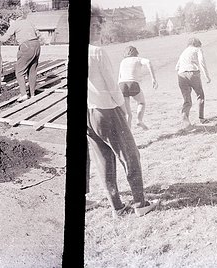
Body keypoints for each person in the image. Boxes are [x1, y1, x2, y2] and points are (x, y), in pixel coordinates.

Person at [87, 5, 158, 218]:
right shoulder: (97, 52)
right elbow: (112, 86)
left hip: (89, 113)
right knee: (130, 155)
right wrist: (122, 109)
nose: (98, 28)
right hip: (106, 110)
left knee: (103, 160)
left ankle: (117, 206)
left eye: (99, 24)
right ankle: (140, 203)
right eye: (93, 25)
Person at [0, 9, 41, 102]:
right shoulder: (29, 22)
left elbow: (5, 39)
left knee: (19, 72)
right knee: (32, 71)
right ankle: (32, 94)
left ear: (13, 19)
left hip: (26, 46)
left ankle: (24, 94)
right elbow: (38, 34)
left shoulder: (15, 24)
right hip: (36, 45)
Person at [118, 46, 158, 130]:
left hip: (121, 85)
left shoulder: (123, 61)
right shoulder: (138, 59)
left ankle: (129, 138)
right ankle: (139, 120)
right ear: (136, 53)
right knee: (141, 103)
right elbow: (148, 62)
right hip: (132, 83)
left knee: (128, 114)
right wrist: (153, 78)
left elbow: (120, 77)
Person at [175, 37, 211, 129]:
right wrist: (207, 76)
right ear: (197, 44)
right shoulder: (198, 49)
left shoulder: (184, 51)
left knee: (187, 100)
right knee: (200, 96)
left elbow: (176, 67)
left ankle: (185, 118)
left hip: (181, 75)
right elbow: (202, 62)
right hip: (193, 73)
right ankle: (201, 118)